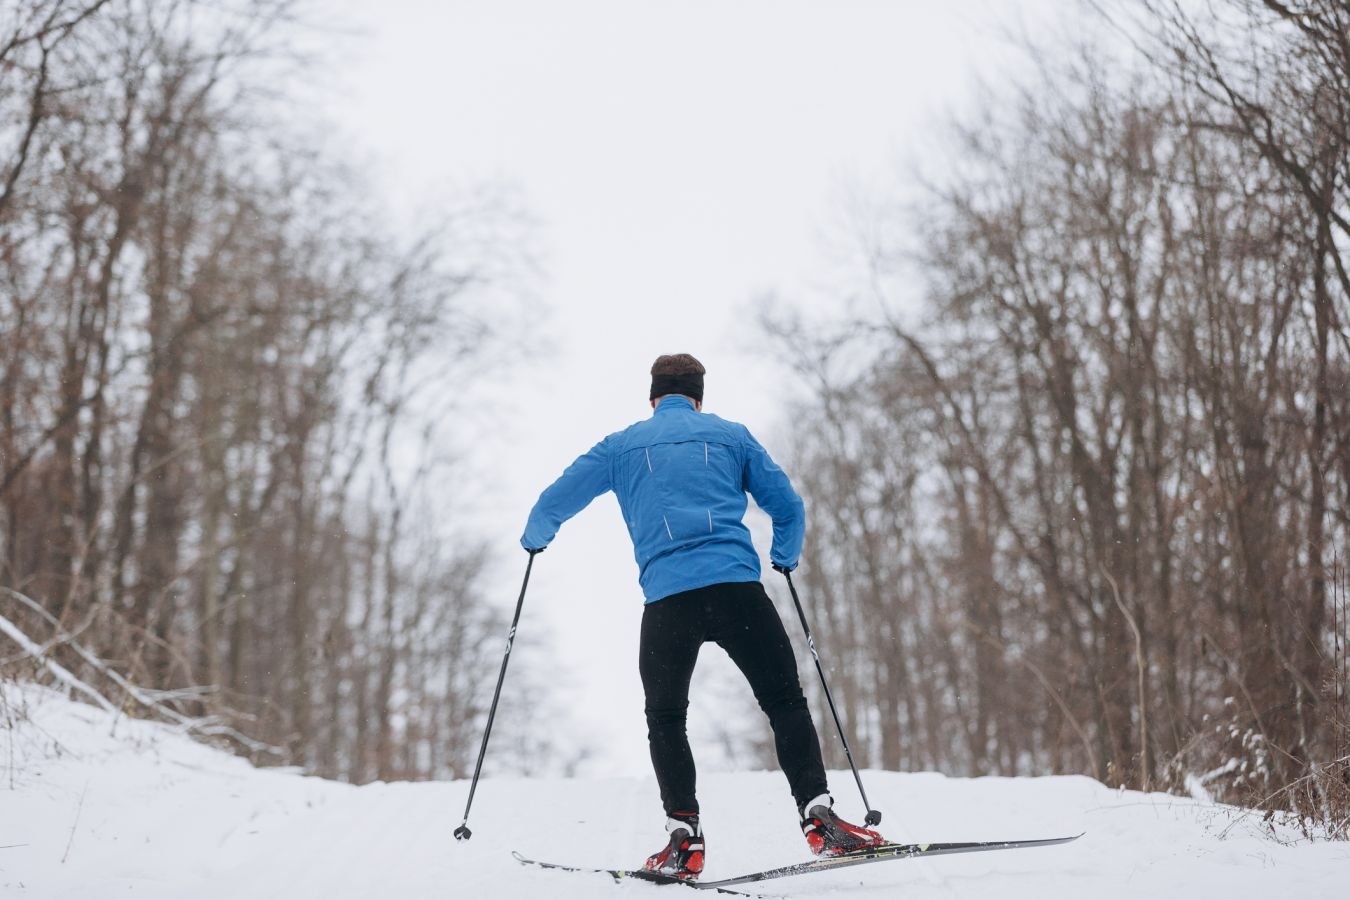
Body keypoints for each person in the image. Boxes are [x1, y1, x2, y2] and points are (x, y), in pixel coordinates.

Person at [520, 353, 886, 880]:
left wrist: (536, 539)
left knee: (666, 718)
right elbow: (788, 506)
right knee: (784, 701)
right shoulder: (731, 436)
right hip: (738, 591)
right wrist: (784, 555)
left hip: (669, 603)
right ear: (698, 397)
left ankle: (684, 838)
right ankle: (817, 815)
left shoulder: (621, 446)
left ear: (653, 398)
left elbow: (553, 502)